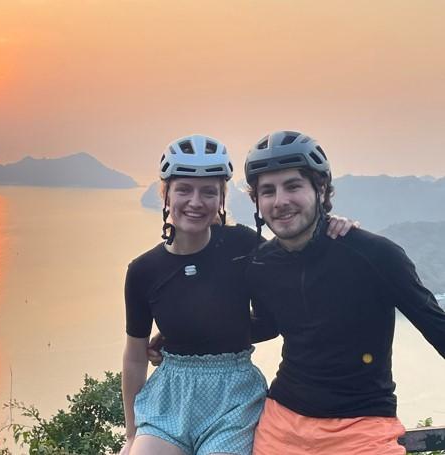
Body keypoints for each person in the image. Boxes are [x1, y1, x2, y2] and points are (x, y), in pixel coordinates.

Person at [121, 134, 355, 455]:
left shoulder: (244, 246)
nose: (195, 201)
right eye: (184, 190)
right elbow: (135, 357)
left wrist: (329, 228)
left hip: (234, 396)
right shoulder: (143, 270)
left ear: (221, 198)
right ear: (166, 194)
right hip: (169, 397)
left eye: (209, 192)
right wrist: (131, 433)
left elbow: (292, 266)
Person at [244, 130, 445, 455]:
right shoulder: (262, 263)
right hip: (282, 424)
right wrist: (182, 339)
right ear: (257, 201)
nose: (279, 201)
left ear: (320, 189)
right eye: (267, 191)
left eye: (293, 186)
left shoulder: (375, 256)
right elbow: (266, 325)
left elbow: (437, 327)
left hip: (363, 427)